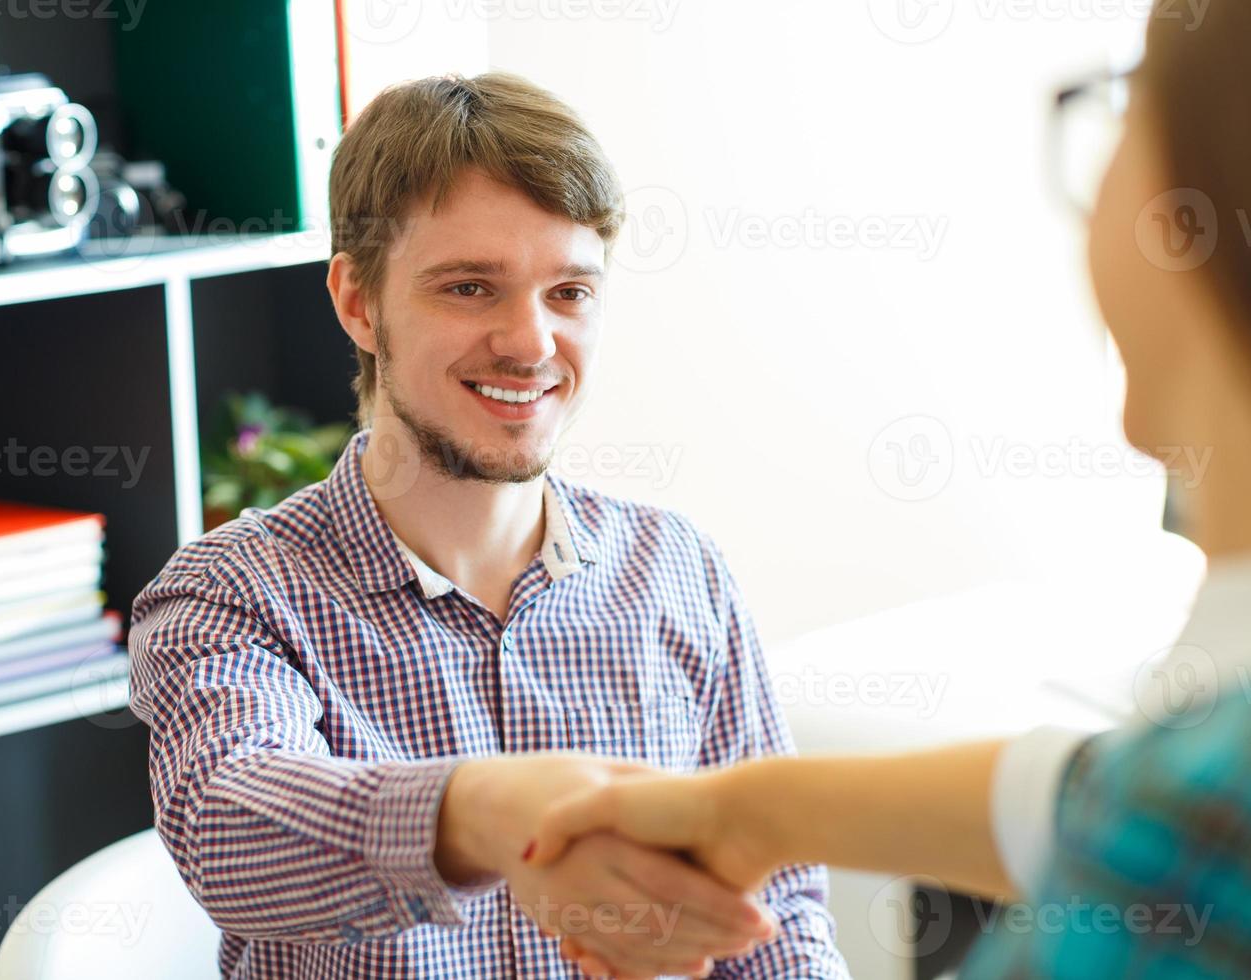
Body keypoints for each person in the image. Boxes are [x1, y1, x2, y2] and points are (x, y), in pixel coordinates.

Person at [524, 2, 1251, 976]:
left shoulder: (1212, 846)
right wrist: (751, 810)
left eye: (1122, 116)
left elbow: (1172, 812)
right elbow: (1085, 787)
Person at [127, 73, 850, 979]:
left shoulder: (677, 570)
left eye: (570, 293)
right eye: (470, 288)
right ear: (358, 303)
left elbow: (776, 923)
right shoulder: (231, 593)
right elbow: (229, 829)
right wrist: (485, 812)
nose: (532, 343)